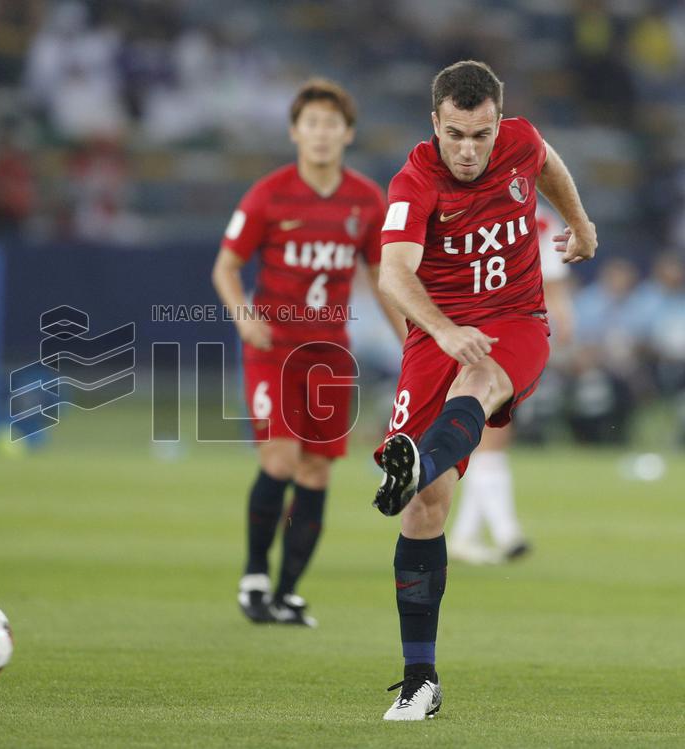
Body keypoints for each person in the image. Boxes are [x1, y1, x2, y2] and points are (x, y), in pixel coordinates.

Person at [372, 61, 596, 720]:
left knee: (483, 380)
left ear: (498, 123)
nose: (469, 149)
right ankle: (421, 680)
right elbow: (392, 273)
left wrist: (578, 224)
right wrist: (441, 329)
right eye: (456, 135)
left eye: (481, 134)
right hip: (435, 335)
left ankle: (417, 459)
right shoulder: (415, 181)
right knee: (424, 509)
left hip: (516, 320)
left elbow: (550, 164)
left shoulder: (520, 142)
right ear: (433, 124)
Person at [212, 78, 405, 628]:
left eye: (332, 124)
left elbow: (383, 276)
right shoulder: (268, 194)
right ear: (295, 131)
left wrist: (411, 342)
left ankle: (288, 593)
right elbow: (226, 266)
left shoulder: (367, 200)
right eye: (311, 124)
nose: (321, 134)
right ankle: (254, 575)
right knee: (280, 460)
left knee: (318, 473)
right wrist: (243, 316)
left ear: (348, 134)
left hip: (328, 354)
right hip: (273, 348)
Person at [448, 203, 576, 564]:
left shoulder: (540, 220)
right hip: (473, 330)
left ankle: (465, 535)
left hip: (514, 334)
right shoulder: (533, 218)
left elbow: (553, 287)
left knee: (489, 430)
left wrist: (561, 320)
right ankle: (506, 533)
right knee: (489, 430)